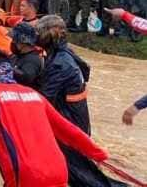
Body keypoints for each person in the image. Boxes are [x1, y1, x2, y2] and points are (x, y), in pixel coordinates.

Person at [0, 51, 109, 187]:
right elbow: (67, 130)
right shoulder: (34, 94)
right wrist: (98, 153)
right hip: (58, 170)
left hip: (25, 174)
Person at [36, 15, 124, 186]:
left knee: (80, 174)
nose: (37, 36)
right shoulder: (64, 53)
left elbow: (43, 98)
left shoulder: (60, 63)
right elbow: (86, 71)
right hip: (76, 118)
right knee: (79, 171)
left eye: (40, 32)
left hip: (70, 122)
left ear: (52, 33)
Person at [9, 22, 43, 90]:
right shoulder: (15, 56)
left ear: (23, 43)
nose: (13, 42)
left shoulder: (33, 60)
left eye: (15, 40)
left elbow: (26, 78)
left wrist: (8, 69)